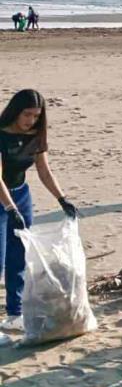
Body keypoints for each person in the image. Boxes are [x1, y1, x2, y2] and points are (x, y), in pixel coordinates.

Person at [0, 90, 79, 333]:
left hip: (21, 194)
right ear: (16, 111)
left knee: (18, 257)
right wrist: (9, 208)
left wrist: (62, 198)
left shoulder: (35, 133)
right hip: (2, 196)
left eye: (36, 116)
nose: (31, 120)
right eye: (27, 115)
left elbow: (44, 170)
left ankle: (14, 313)